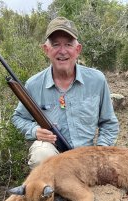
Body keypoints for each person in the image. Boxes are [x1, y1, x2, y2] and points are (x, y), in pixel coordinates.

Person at [12, 17, 119, 169]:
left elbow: (109, 123)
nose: (62, 51)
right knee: (41, 155)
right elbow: (18, 118)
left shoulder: (97, 80)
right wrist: (34, 131)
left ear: (78, 49)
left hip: (87, 157)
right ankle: (50, 191)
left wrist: (100, 151)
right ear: (46, 49)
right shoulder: (33, 84)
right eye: (56, 45)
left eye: (68, 44)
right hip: (54, 155)